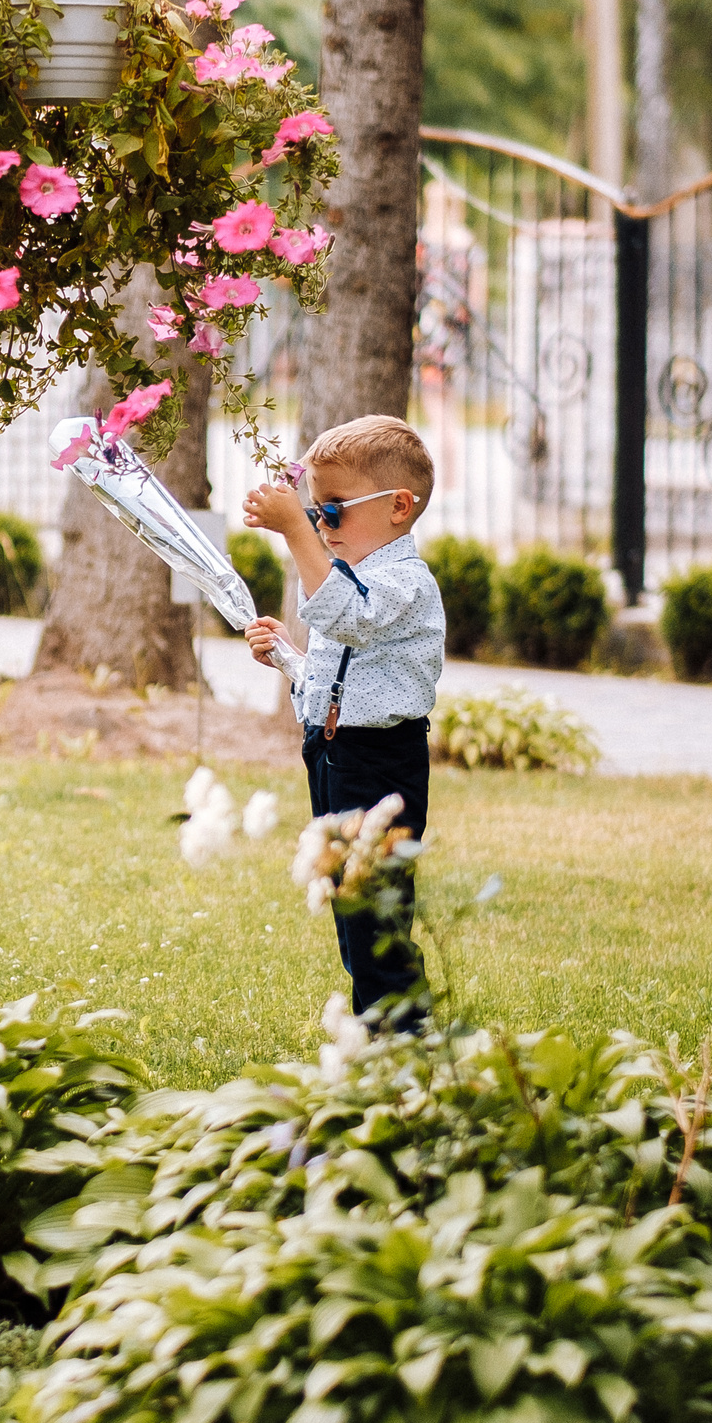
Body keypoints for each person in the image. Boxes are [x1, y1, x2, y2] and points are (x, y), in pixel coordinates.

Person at [242, 416, 445, 1025]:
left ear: (399, 508)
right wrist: (287, 656)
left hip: (379, 765)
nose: (320, 526)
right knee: (349, 913)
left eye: (332, 512)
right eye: (315, 511)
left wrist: (294, 534)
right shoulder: (360, 581)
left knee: (376, 917)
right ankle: (378, 1031)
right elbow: (342, 677)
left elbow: (349, 619)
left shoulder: (404, 582)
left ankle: (406, 1046)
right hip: (332, 758)